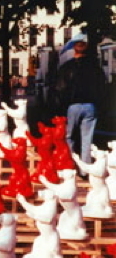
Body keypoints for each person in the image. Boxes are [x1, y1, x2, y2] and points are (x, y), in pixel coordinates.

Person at [54, 33, 107, 164]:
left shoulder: (66, 67)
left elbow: (60, 88)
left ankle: (69, 165)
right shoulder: (95, 67)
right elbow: (102, 87)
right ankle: (85, 168)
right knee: (87, 139)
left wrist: (59, 109)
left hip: (72, 105)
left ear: (73, 49)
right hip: (90, 106)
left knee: (69, 137)